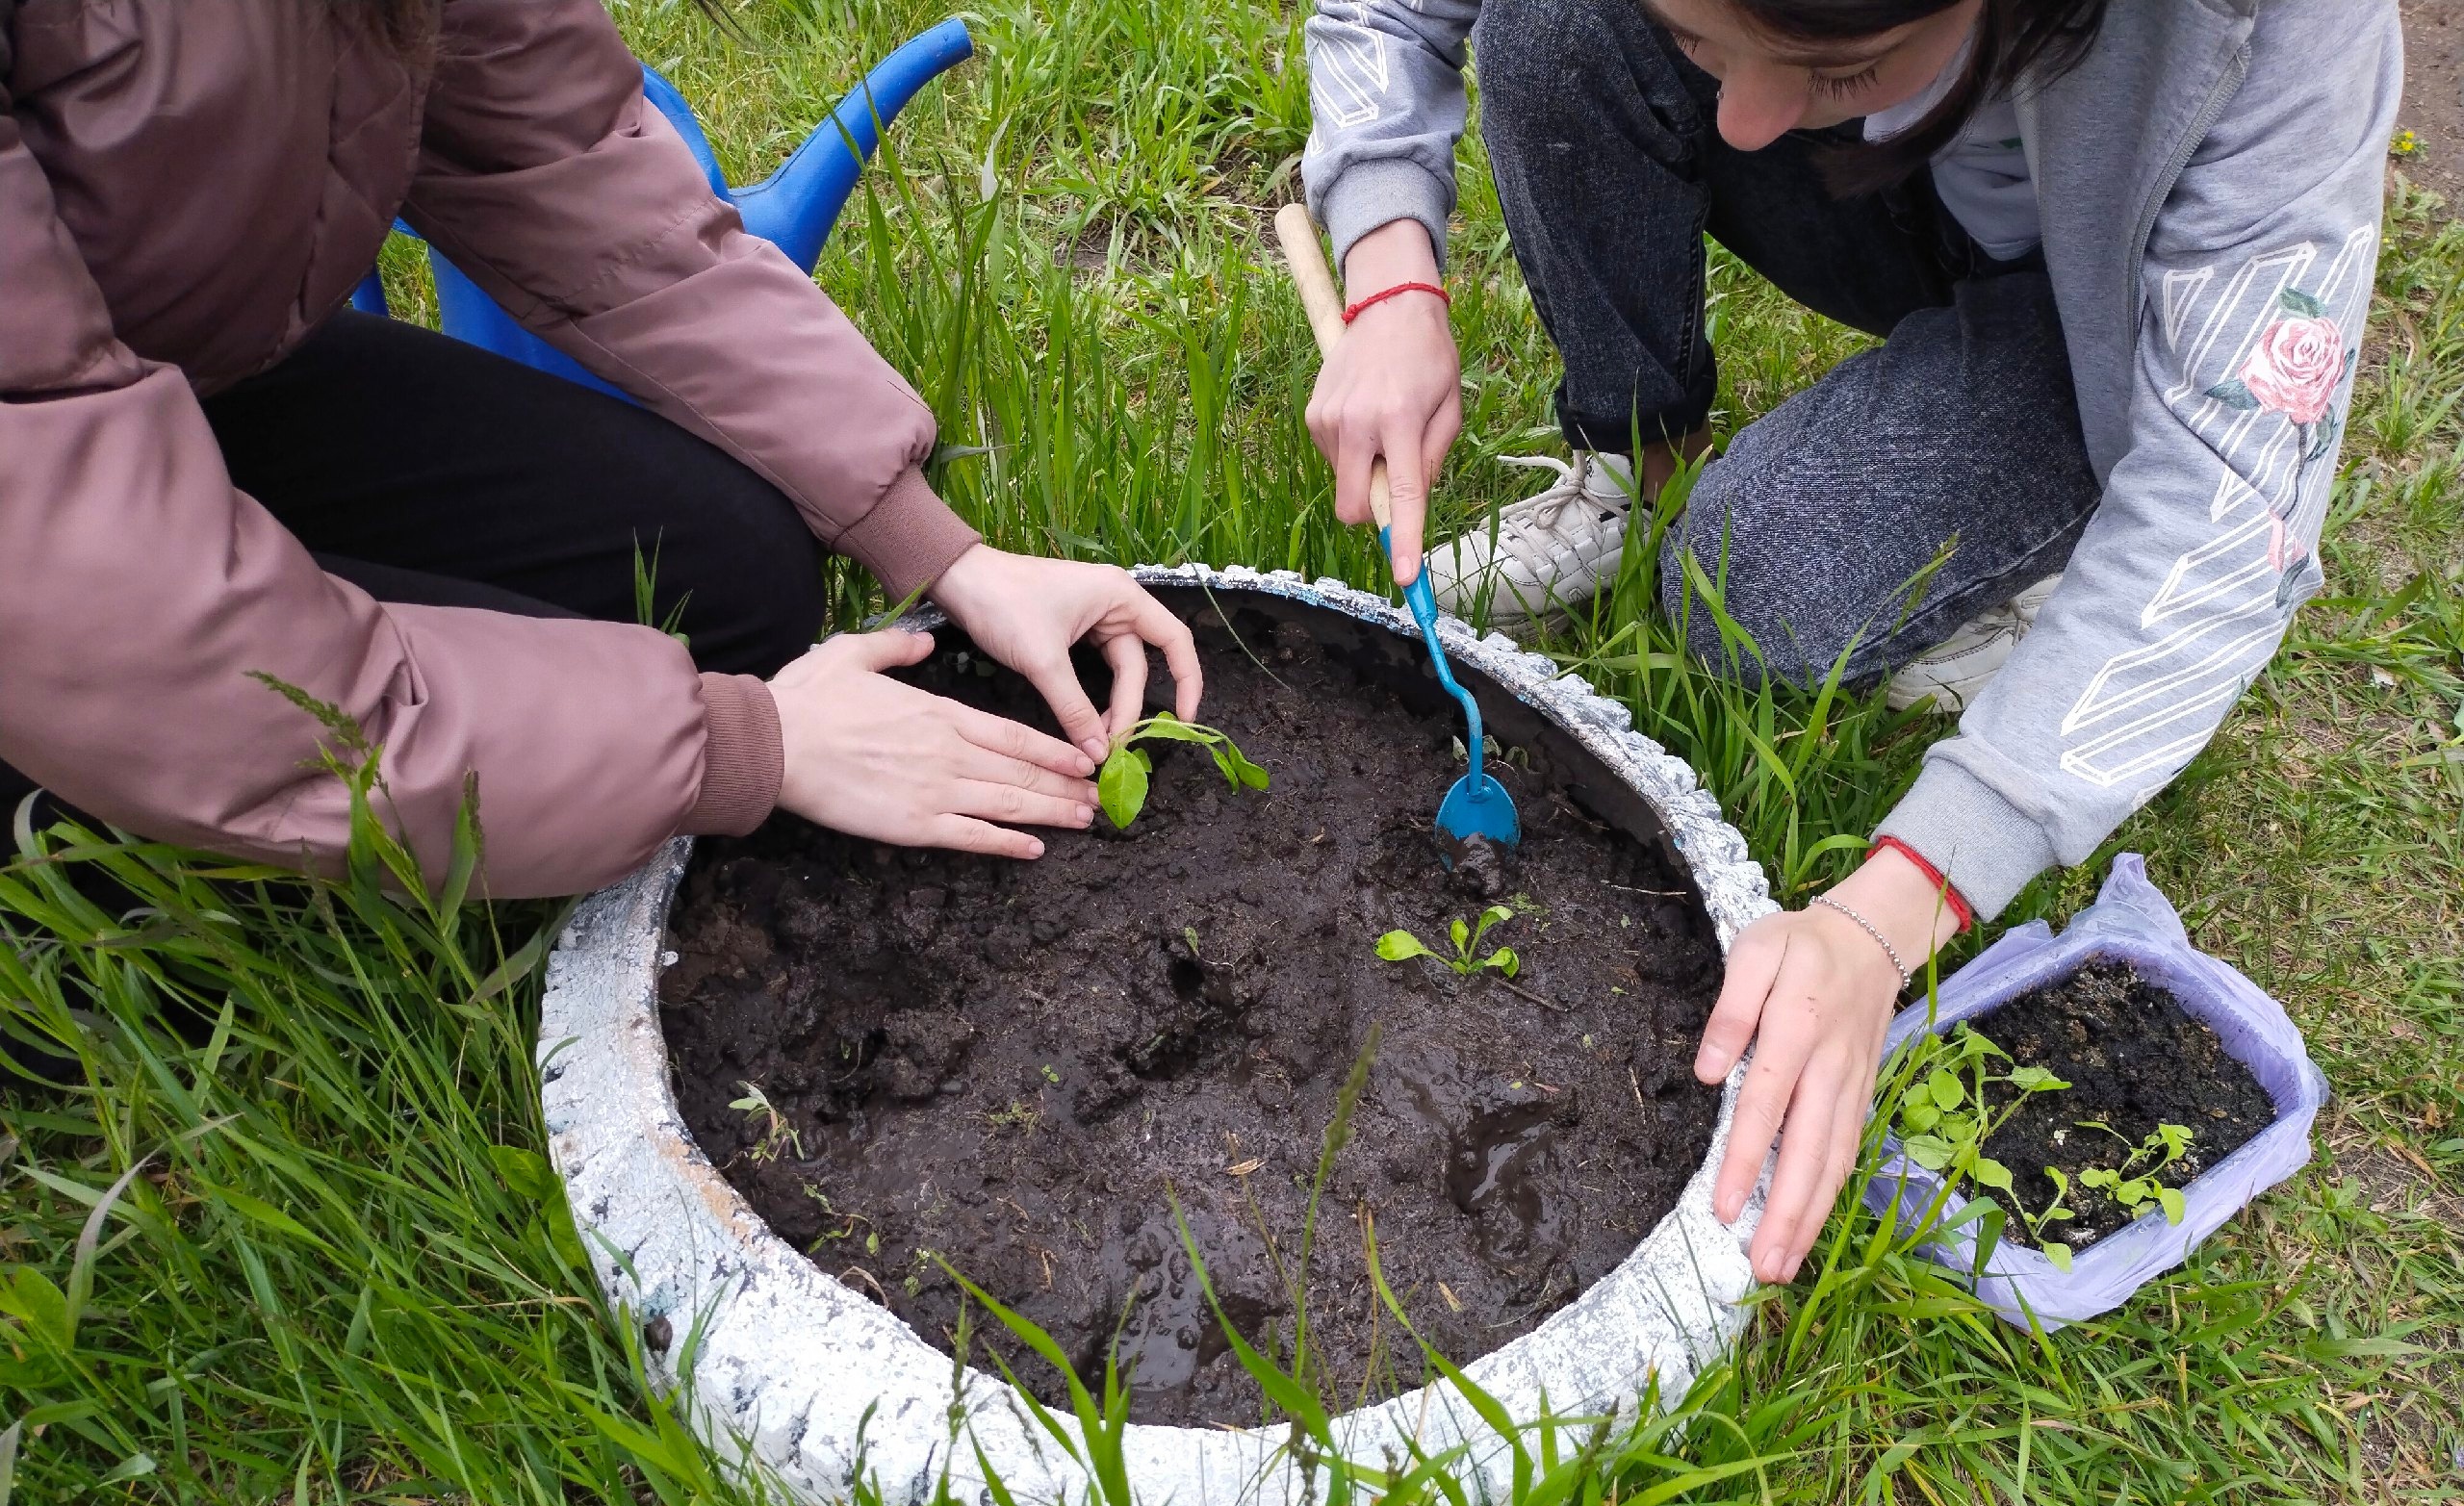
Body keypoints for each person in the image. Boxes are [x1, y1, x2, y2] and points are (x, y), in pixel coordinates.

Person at [1298, 0, 2400, 1283]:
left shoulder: (2273, 31)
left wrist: (1888, 917)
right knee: (1552, 21)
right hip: (1891, 192)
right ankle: (1630, 465)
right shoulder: (1770, 101)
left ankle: (2042, 582)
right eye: (1706, 45)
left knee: (1756, 589)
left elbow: (2226, 506)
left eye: (1840, 61)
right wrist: (1385, 276)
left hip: (2096, 294)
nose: (1739, 120)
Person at [0, 0, 1200, 904]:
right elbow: (142, 647)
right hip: (39, 539)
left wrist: (943, 549)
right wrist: (737, 746)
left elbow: (560, 163)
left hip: (174, 385)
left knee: (728, 579)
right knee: (267, 840)